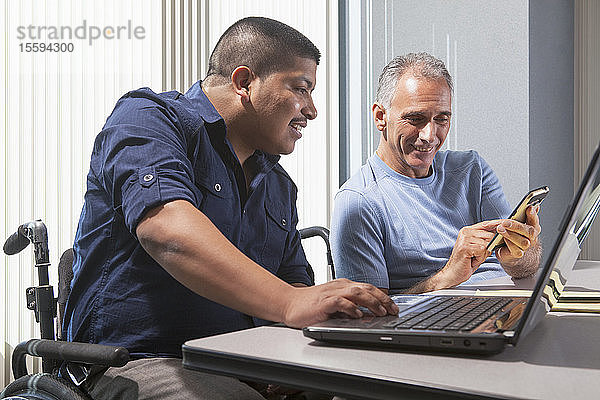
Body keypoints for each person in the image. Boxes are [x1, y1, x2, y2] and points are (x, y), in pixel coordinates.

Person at [64, 17, 397, 399]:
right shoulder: (149, 119)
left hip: (242, 361)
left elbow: (294, 280)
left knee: (357, 388)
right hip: (135, 361)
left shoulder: (278, 184)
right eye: (301, 89)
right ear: (244, 82)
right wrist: (291, 304)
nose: (312, 110)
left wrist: (302, 341)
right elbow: (167, 232)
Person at [330, 52, 542, 294]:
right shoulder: (359, 201)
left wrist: (521, 251)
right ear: (381, 117)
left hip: (507, 306)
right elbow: (369, 318)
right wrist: (446, 277)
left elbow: (526, 268)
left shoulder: (473, 170)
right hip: (437, 324)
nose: (430, 135)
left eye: (441, 119)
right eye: (415, 119)